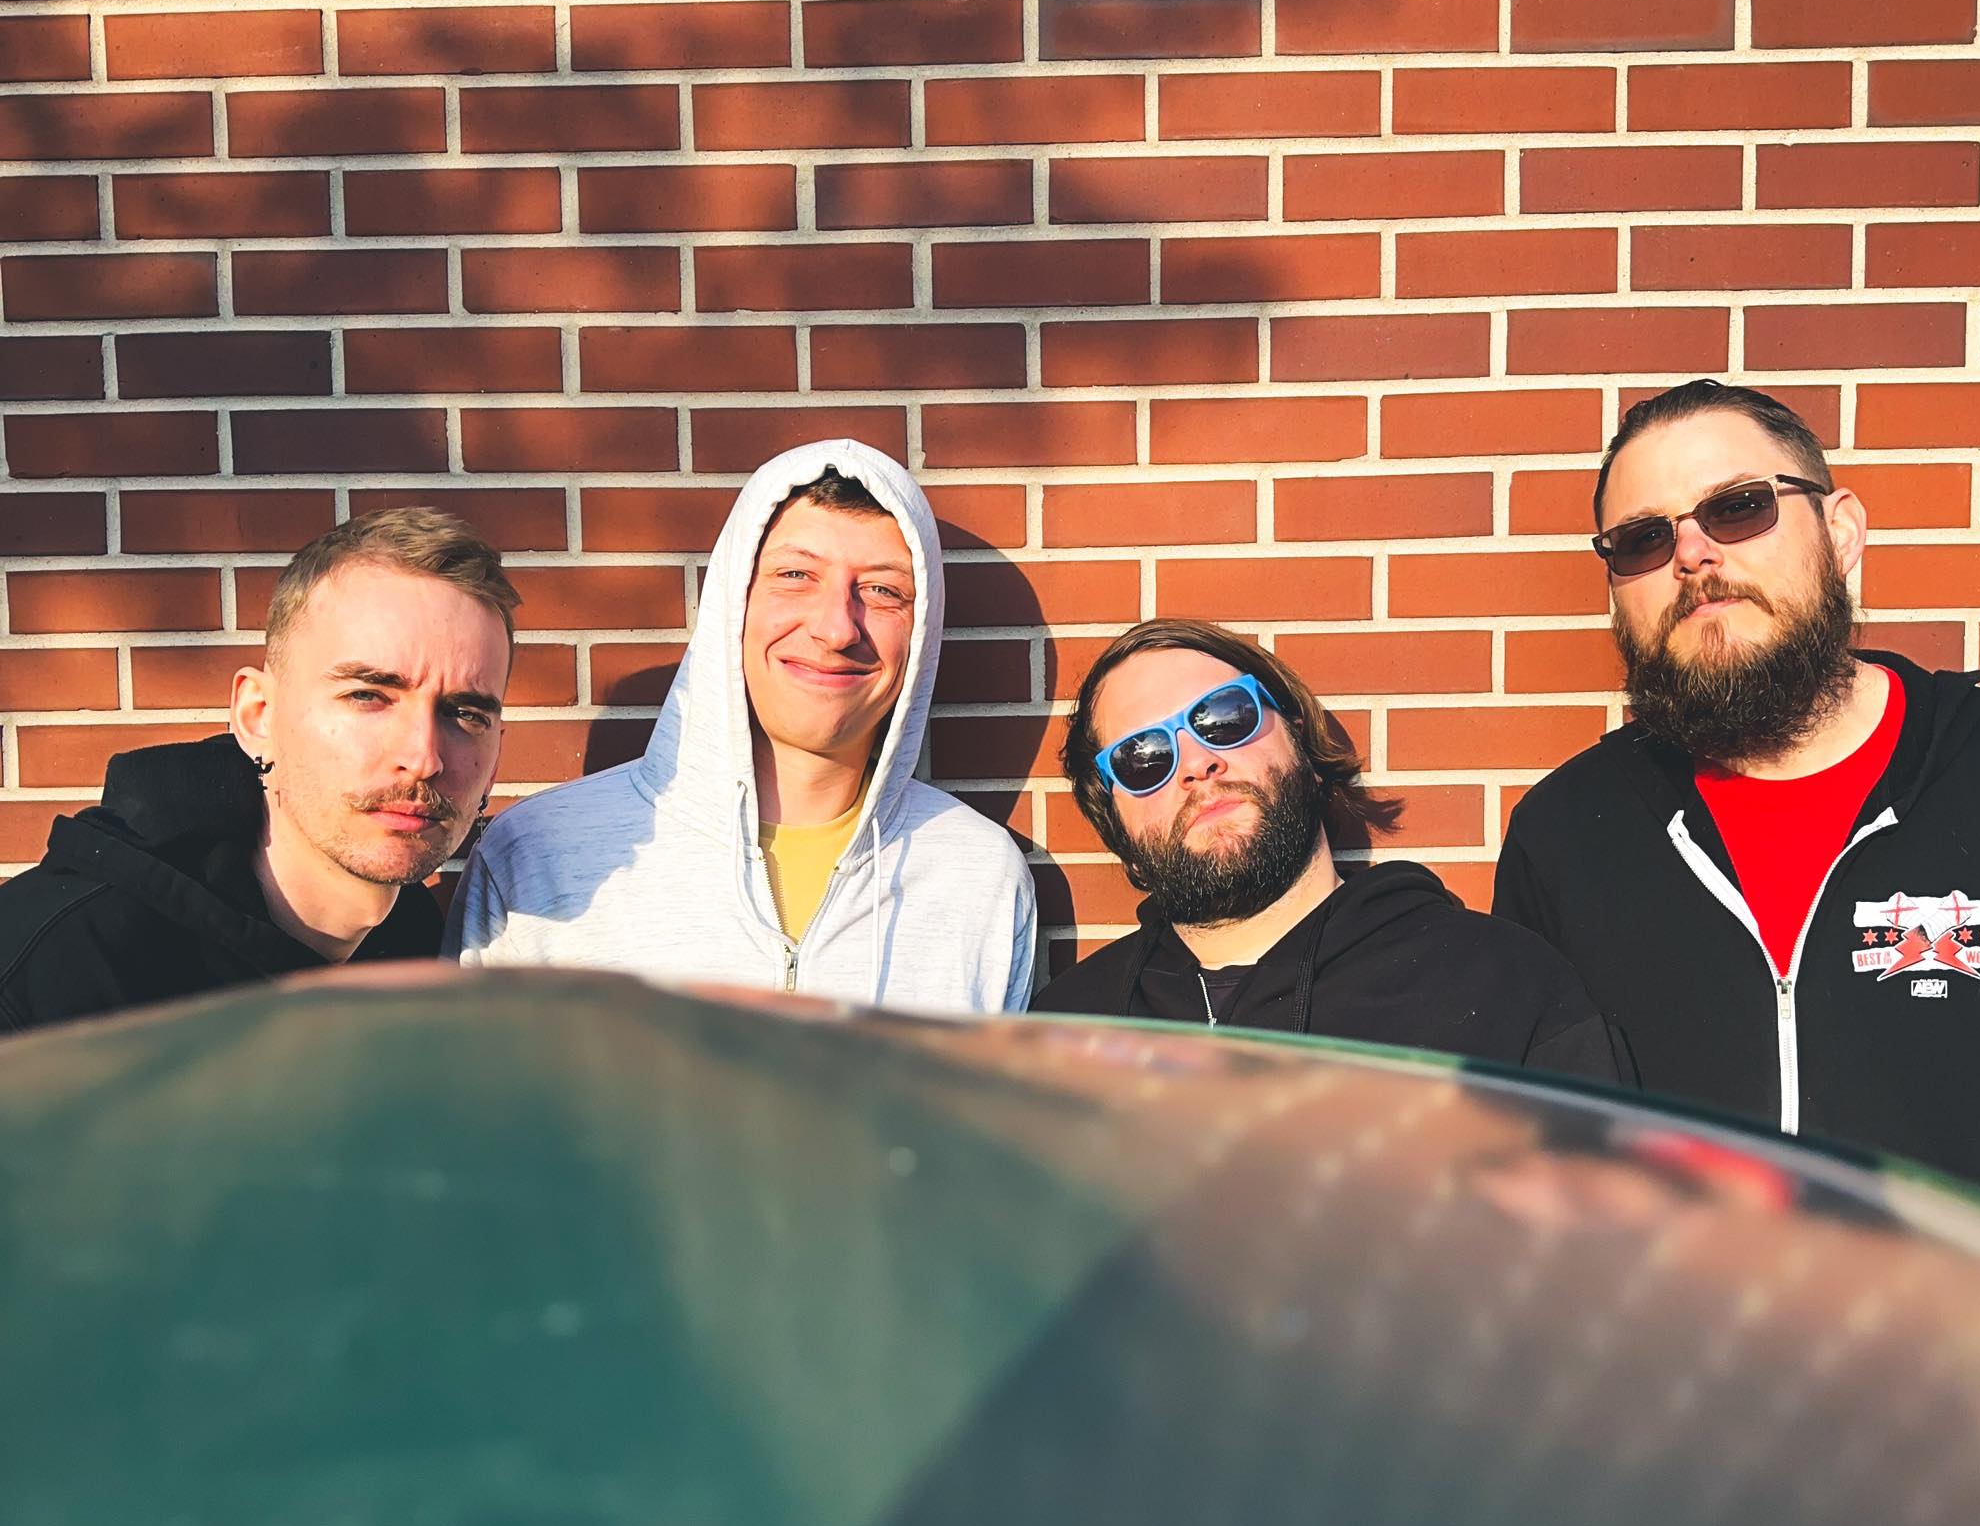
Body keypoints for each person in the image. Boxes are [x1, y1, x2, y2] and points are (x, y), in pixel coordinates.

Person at [1493, 379, 1980, 1197]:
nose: (1692, 556)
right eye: (1644, 540)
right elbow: (1537, 1163)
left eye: (1739, 507)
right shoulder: (1567, 836)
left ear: (1842, 531)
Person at [448, 439, 1037, 1012]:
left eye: (882, 591)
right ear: (736, 601)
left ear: (922, 632)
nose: (837, 628)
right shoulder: (535, 856)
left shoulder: (980, 877)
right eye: (796, 576)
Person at [1031, 618, 1631, 1082]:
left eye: (1224, 717)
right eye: (1144, 758)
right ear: (1115, 822)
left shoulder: (1501, 982)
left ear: (1303, 745)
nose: (1196, 764)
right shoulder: (1062, 1038)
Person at [0, 508, 515, 1034]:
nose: (424, 757)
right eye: (368, 695)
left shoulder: (423, 956)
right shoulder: (45, 984)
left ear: (495, 760)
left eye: (466, 714)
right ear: (258, 716)